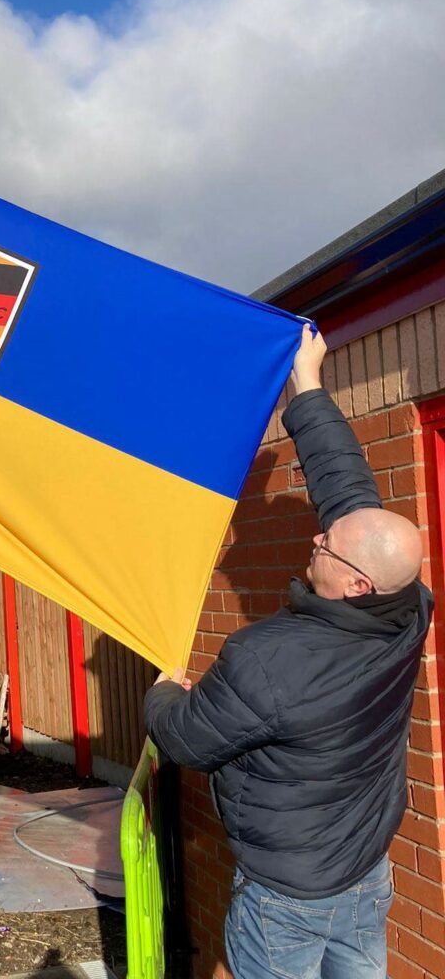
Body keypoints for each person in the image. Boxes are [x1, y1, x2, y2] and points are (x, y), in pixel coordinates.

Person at [144, 326, 431, 979]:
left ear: (357, 584)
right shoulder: (406, 607)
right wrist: (308, 382)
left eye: (327, 546)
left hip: (286, 899)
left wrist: (162, 691)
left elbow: (186, 740)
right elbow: (348, 491)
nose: (318, 537)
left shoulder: (268, 660)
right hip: (365, 871)